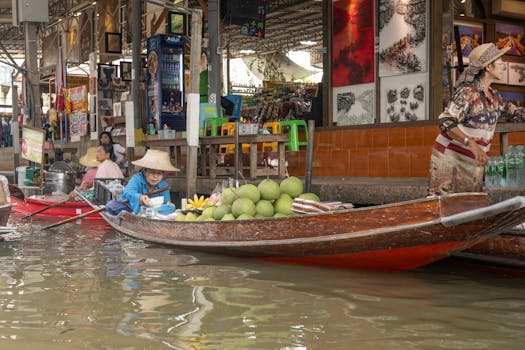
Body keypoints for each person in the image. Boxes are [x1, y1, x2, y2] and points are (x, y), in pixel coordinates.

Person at [428, 43, 525, 195]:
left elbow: (517, 113)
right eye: (500, 63)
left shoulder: (495, 98)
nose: (503, 67)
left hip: (474, 162)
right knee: (445, 206)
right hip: (450, 159)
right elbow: (446, 121)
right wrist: (471, 143)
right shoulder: (468, 92)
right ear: (488, 67)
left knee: (470, 208)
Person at [118, 149, 179, 214]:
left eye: (159, 174)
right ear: (145, 172)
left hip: (152, 211)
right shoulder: (136, 178)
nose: (155, 176)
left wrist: (151, 210)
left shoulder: (164, 185)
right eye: (152, 172)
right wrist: (139, 197)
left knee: (172, 207)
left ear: (163, 175)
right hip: (131, 209)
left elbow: (167, 203)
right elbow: (128, 192)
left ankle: (148, 211)